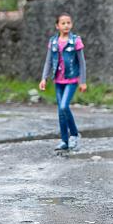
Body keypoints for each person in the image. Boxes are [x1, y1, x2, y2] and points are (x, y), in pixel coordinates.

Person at [39, 13, 87, 152]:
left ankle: (75, 135)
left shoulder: (76, 40)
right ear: (57, 26)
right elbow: (48, 61)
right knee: (60, 111)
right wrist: (44, 78)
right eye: (63, 23)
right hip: (58, 81)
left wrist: (82, 81)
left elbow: (82, 62)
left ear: (71, 24)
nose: (66, 25)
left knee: (65, 106)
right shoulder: (53, 41)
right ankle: (64, 140)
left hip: (71, 80)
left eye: (68, 23)